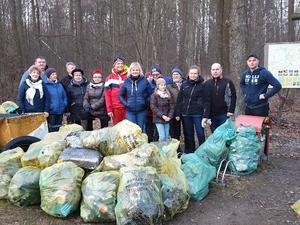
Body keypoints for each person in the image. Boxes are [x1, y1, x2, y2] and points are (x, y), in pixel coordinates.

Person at [175, 65, 209, 154]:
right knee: (188, 134)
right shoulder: (184, 84)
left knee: (200, 134)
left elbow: (206, 101)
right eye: (191, 73)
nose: (193, 75)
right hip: (185, 114)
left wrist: (206, 115)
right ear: (188, 74)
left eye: (195, 73)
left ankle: (202, 153)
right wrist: (178, 113)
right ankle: (190, 152)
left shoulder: (202, 85)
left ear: (198, 74)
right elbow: (179, 99)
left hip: (198, 114)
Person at [119, 62, 152, 132]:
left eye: (137, 70)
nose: (135, 71)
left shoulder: (145, 81)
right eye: (133, 70)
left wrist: (145, 102)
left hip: (142, 111)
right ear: (130, 71)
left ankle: (143, 143)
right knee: (132, 131)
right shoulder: (126, 82)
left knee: (141, 130)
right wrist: (126, 104)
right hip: (130, 112)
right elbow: (120, 95)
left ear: (140, 71)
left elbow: (151, 94)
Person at [204, 63, 236, 132]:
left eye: (217, 69)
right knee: (215, 133)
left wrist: (231, 110)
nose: (215, 71)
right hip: (212, 115)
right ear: (211, 71)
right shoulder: (207, 83)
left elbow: (233, 96)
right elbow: (206, 100)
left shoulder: (228, 82)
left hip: (224, 113)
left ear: (221, 70)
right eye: (213, 70)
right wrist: (206, 115)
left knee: (225, 133)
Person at [104, 55, 128, 125]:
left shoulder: (128, 76)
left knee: (127, 128)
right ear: (114, 65)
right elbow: (107, 95)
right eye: (118, 63)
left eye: (122, 63)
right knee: (117, 128)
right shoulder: (109, 78)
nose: (120, 65)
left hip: (126, 107)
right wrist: (109, 109)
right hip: (115, 108)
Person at [44, 68, 68, 132]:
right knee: (52, 129)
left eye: (55, 74)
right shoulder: (45, 85)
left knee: (59, 128)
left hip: (60, 111)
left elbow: (64, 96)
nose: (55, 76)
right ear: (48, 76)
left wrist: (64, 104)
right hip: (51, 112)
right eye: (52, 74)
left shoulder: (59, 85)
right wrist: (50, 107)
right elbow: (45, 98)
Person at [167, 66, 184, 140]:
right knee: (175, 131)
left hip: (184, 110)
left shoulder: (185, 84)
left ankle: (188, 148)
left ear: (180, 75)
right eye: (173, 74)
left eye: (177, 74)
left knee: (187, 130)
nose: (175, 76)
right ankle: (177, 148)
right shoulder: (169, 86)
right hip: (174, 111)